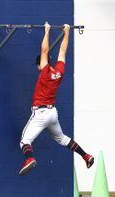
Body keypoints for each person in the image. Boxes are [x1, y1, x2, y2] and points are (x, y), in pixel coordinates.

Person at [19, 22, 94, 176]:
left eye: (38, 65)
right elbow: (63, 50)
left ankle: (30, 159)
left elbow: (44, 50)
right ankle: (86, 156)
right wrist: (67, 32)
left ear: (40, 65)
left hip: (40, 114)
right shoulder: (58, 72)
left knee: (24, 141)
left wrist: (46, 31)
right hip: (52, 113)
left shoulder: (44, 71)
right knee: (62, 139)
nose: (38, 67)